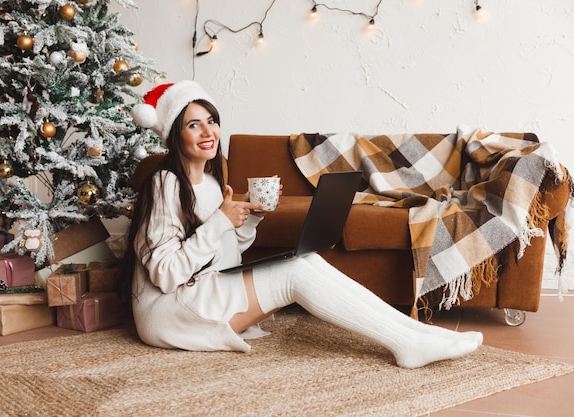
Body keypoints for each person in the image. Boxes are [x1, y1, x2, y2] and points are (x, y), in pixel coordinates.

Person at [123, 80, 483, 369]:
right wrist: (220, 219)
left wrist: (247, 221)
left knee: (304, 261)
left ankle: (416, 333)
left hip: (204, 287)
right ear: (175, 134)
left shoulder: (214, 181)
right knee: (295, 272)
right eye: (193, 124)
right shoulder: (165, 183)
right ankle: (409, 343)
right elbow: (165, 274)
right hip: (170, 310)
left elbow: (223, 254)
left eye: (211, 120)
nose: (208, 131)